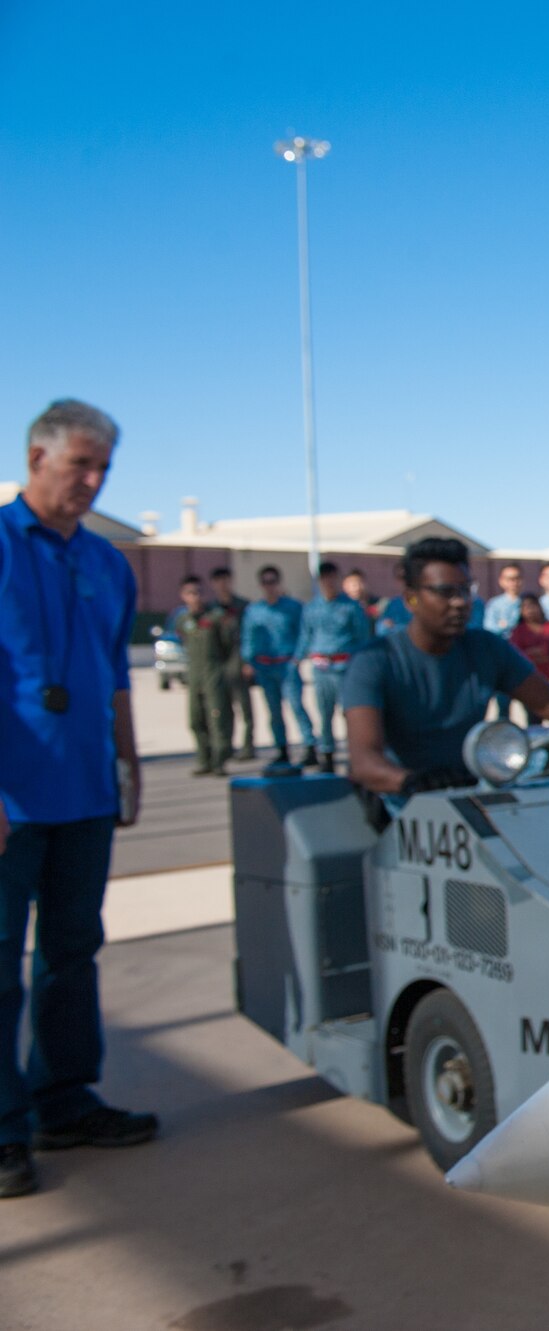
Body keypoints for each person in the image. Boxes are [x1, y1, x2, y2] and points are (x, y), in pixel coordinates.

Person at [0, 399, 152, 1200]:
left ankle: (64, 1098)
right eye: (78, 466)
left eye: (103, 470)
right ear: (35, 457)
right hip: (10, 801)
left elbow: (117, 674)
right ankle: (2, 1130)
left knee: (70, 954)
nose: (92, 483)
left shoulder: (107, 565)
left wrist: (128, 761)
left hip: (85, 793)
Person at [344, 538, 549, 799]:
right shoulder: (374, 660)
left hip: (474, 790)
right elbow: (364, 762)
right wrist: (414, 782)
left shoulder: (487, 648)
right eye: (445, 592)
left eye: (464, 591)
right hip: (406, 800)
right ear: (411, 599)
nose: (460, 603)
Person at [299, 560, 375, 771]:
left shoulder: (350, 607)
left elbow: (362, 637)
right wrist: (297, 659)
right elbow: (306, 636)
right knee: (324, 713)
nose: (329, 583)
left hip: (345, 668)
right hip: (321, 668)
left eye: (332, 578)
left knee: (350, 713)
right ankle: (327, 755)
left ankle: (355, 755)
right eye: (325, 579)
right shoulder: (312, 608)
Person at [242, 565, 314, 766]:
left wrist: (298, 657)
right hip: (265, 667)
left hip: (287, 665)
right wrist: (248, 660)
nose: (270, 586)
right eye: (266, 582)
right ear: (260, 585)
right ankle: (281, 748)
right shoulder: (255, 611)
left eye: (273, 581)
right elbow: (249, 636)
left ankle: (310, 746)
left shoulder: (293, 607)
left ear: (279, 583)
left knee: (297, 706)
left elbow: (304, 632)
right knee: (273, 711)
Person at [170, 576, 237, 775]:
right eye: (190, 593)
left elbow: (229, 646)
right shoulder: (184, 620)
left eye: (198, 592)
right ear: (183, 596)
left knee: (217, 717)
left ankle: (219, 761)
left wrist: (227, 672)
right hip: (194, 674)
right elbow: (182, 642)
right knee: (196, 718)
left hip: (213, 673)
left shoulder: (215, 617)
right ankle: (203, 759)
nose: (195, 597)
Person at [208, 566, 255, 757]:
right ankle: (225, 746)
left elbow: (250, 636)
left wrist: (248, 661)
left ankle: (247, 746)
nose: (223, 585)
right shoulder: (211, 609)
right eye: (218, 581)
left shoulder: (243, 606)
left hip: (239, 662)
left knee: (245, 707)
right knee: (222, 709)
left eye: (226, 580)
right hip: (219, 665)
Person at [482, 563, 524, 635]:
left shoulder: (528, 602)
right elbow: (489, 628)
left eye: (517, 578)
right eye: (509, 579)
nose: (514, 582)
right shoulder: (494, 604)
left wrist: (504, 624)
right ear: (501, 581)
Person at [375, 564, 413, 636]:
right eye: (399, 578)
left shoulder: (424, 603)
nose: (404, 582)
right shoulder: (394, 603)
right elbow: (381, 629)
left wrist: (395, 627)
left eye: (407, 577)